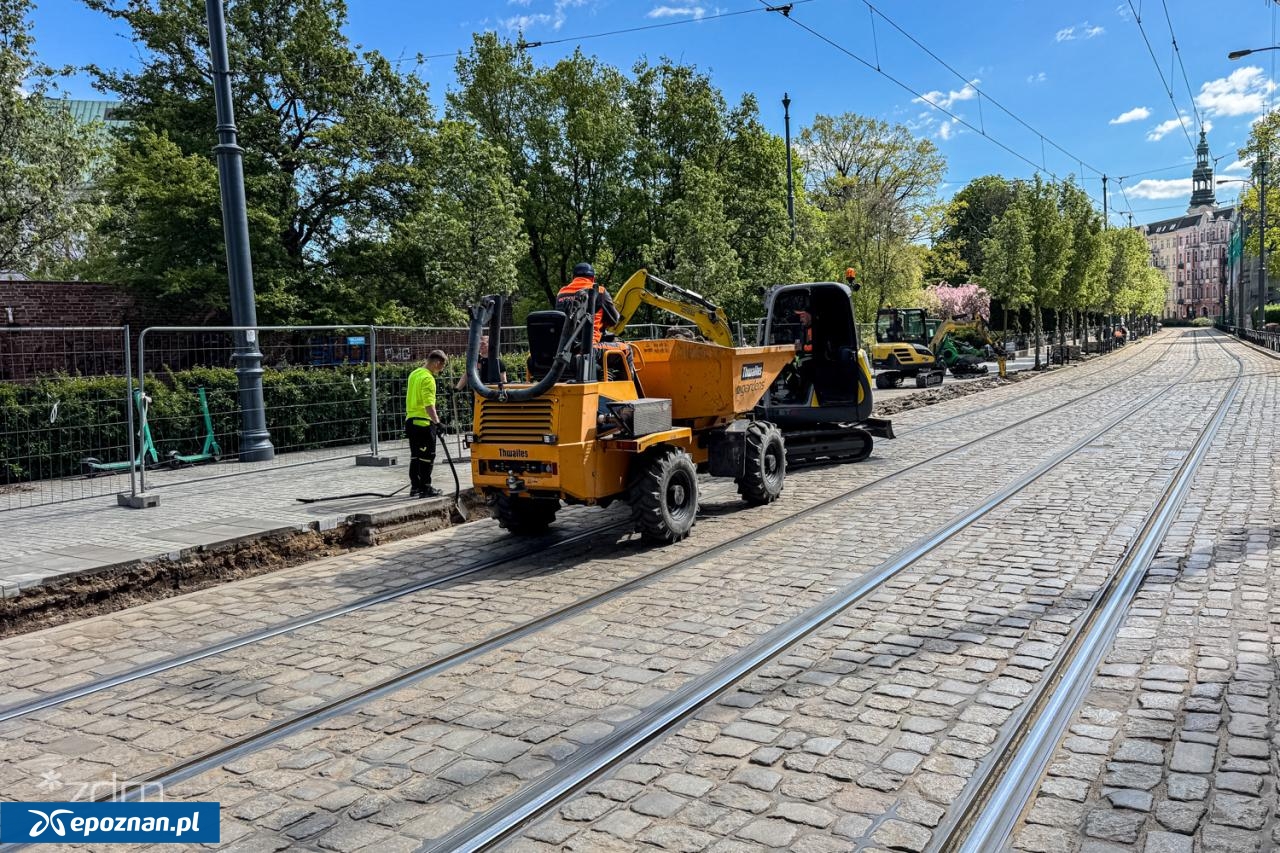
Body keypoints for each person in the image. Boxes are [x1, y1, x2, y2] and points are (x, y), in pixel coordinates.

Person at [406, 350, 447, 498]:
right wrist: (437, 422)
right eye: (442, 366)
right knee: (427, 457)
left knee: (415, 456)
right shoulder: (428, 378)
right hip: (423, 424)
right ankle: (426, 488)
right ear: (437, 363)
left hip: (410, 421)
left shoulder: (414, 374)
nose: (441, 370)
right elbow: (428, 404)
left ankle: (415, 487)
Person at [556, 262, 620, 346]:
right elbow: (614, 320)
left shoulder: (561, 292)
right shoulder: (599, 291)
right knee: (627, 348)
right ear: (593, 278)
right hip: (590, 346)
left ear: (573, 278)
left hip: (563, 345)